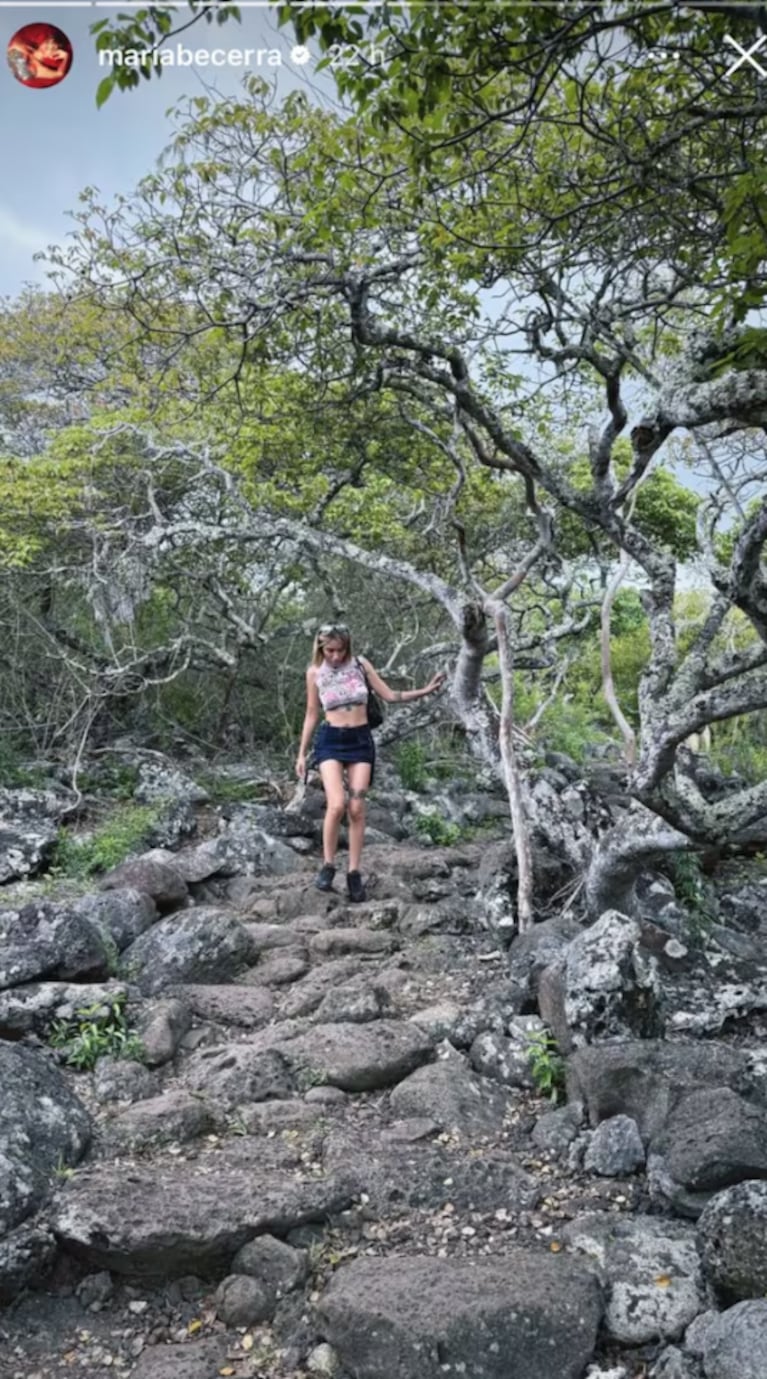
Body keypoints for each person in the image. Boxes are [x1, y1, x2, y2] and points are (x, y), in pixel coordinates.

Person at [295, 622, 446, 902]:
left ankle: (354, 873)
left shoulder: (361, 665)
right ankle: (328, 865)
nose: (336, 656)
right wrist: (301, 754)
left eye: (340, 650)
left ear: (347, 647)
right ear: (320, 648)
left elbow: (390, 695)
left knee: (356, 807)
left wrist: (425, 690)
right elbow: (312, 713)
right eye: (330, 650)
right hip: (330, 741)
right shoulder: (315, 672)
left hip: (360, 742)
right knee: (337, 804)